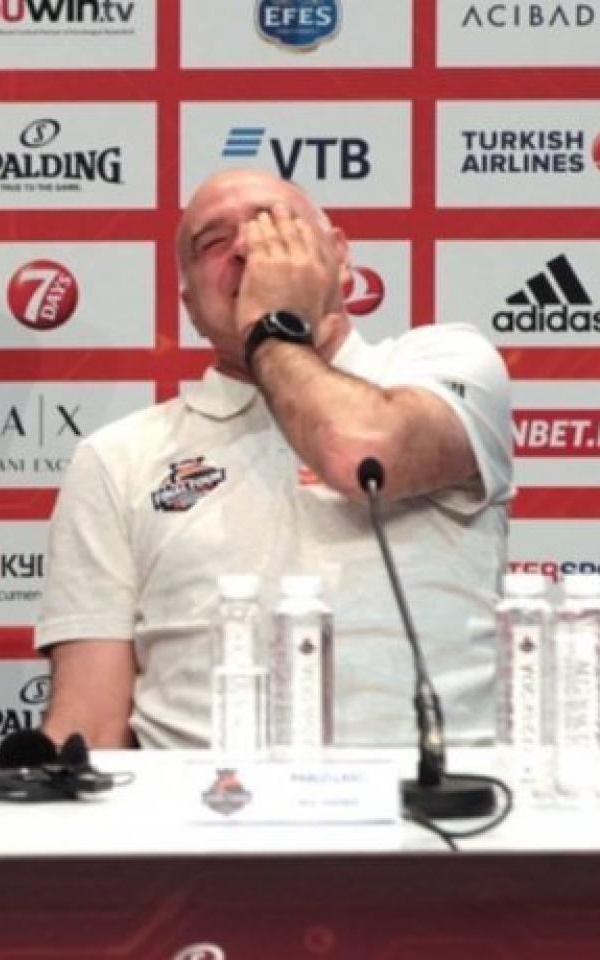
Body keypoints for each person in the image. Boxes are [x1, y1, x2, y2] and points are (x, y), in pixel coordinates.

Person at [37, 168, 513, 750]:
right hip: (202, 803)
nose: (246, 248)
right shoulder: (118, 456)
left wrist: (270, 328)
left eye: (273, 224)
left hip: (432, 798)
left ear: (340, 256)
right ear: (189, 304)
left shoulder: (446, 364)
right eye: (214, 243)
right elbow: (90, 726)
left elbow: (361, 450)